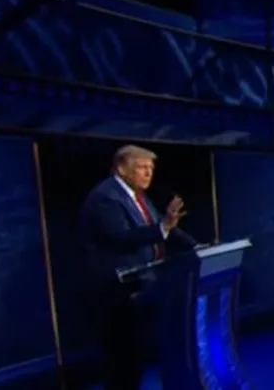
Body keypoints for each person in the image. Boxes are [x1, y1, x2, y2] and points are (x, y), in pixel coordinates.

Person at [78, 144, 197, 390]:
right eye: (142, 167)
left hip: (141, 287)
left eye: (151, 168)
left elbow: (162, 227)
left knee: (135, 356)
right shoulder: (105, 197)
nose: (148, 173)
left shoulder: (138, 196)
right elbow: (120, 237)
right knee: (122, 360)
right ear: (121, 168)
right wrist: (163, 227)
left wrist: (197, 247)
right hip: (116, 291)